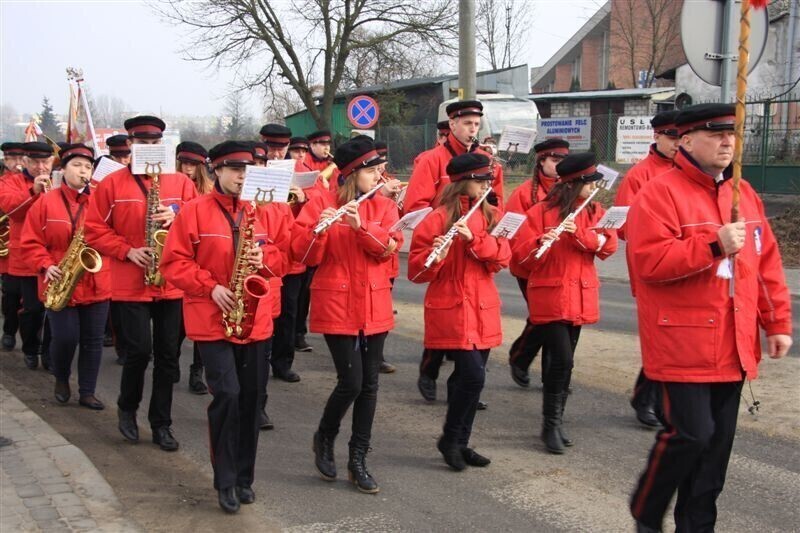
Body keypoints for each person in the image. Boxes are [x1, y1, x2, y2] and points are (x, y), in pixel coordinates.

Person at [626, 104, 793, 532]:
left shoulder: (744, 193)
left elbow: (765, 264)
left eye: (732, 134)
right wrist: (713, 245)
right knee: (691, 436)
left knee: (714, 457)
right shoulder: (659, 193)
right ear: (685, 140)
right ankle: (647, 509)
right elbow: (649, 261)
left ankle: (696, 527)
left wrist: (775, 323)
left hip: (733, 344)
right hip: (681, 344)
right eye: (715, 134)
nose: (726, 142)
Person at [161, 140, 289, 514]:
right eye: (234, 169)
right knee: (228, 395)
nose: (241, 176)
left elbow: (285, 257)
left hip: (255, 320)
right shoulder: (194, 211)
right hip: (211, 318)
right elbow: (174, 263)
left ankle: (245, 476)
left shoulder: (263, 211)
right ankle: (225, 478)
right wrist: (210, 286)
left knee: (251, 400)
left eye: (246, 170)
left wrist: (265, 256)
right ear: (215, 170)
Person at [293, 137, 401, 494]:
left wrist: (361, 227)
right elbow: (305, 255)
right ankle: (325, 436)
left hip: (374, 302)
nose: (379, 176)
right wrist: (318, 229)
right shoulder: (320, 201)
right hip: (337, 302)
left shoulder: (383, 206)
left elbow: (388, 249)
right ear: (354, 174)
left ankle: (358, 459)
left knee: (369, 385)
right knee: (351, 382)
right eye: (372, 172)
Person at [84, 115, 197, 452]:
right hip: (130, 282)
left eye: (154, 143)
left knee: (168, 357)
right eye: (142, 143)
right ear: (131, 145)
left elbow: (198, 221)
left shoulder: (180, 183)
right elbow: (93, 230)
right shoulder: (112, 184)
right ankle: (127, 408)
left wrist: (177, 215)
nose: (149, 148)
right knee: (138, 352)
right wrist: (126, 250)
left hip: (171, 283)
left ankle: (161, 423)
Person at [408, 152, 509, 471]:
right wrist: (438, 253)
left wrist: (476, 240)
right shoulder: (436, 218)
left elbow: (503, 258)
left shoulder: (490, 215)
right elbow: (416, 272)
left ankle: (461, 441)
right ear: (463, 182)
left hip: (483, 305)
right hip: (451, 305)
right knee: (473, 375)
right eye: (480, 181)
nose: (485, 187)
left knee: (469, 380)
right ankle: (450, 439)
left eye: (486, 181)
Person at [512, 152, 618, 454]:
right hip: (551, 295)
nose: (595, 188)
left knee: (564, 360)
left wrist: (579, 234)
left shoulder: (595, 211)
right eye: (590, 183)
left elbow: (608, 245)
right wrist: (539, 243)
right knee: (562, 359)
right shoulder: (540, 213)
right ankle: (550, 424)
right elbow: (519, 258)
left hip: (580, 295)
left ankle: (556, 421)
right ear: (574, 184)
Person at [404, 99, 504, 403]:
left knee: (471, 318)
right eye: (467, 124)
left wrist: (483, 224)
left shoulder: (485, 160)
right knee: (446, 317)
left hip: (474, 242)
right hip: (443, 239)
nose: (472, 130)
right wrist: (444, 221)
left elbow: (496, 202)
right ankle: (429, 371)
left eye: (476, 124)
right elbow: (414, 206)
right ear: (452, 125)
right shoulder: (431, 160)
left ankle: (466, 384)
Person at [20, 144, 111, 410]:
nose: (83, 171)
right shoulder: (46, 202)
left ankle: (87, 392)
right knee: (66, 337)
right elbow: (30, 242)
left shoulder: (100, 202)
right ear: (63, 170)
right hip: (59, 279)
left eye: (87, 167)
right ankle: (61, 377)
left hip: (96, 280)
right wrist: (45, 265)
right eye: (76, 165)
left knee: (93, 341)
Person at [612, 109, 681, 428]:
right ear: (657, 137)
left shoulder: (689, 171)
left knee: (677, 338)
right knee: (662, 337)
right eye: (672, 137)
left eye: (682, 137)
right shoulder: (640, 175)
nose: (678, 144)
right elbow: (625, 225)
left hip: (686, 265)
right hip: (652, 268)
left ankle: (655, 398)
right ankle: (647, 398)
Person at [506, 138, 569, 389]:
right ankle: (521, 357)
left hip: (559, 267)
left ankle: (549, 373)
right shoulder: (523, 193)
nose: (559, 166)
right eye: (554, 161)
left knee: (556, 320)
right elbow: (514, 234)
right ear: (541, 162)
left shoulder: (569, 189)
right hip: (530, 267)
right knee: (545, 319)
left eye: (563, 161)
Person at [0, 142, 55, 370]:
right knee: (32, 308)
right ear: (27, 162)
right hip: (27, 257)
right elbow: (11, 209)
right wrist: (33, 191)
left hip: (55, 257)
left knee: (55, 309)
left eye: (46, 162)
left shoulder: (61, 180)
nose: (41, 167)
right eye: (36, 162)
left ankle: (49, 353)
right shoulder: (10, 182)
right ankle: (31, 347)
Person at [173, 141, 213, 395]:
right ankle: (171, 357)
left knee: (203, 323)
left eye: (193, 165)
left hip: (205, 261)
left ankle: (197, 371)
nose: (187, 169)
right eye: (184, 163)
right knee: (178, 325)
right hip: (181, 261)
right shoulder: (171, 185)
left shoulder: (208, 190)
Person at [1, 142, 25, 351]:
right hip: (9, 248)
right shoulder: (3, 182)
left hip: (28, 245)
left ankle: (33, 340)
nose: (17, 163)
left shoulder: (31, 181)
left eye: (20, 159)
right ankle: (9, 331)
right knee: (11, 294)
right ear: (5, 159)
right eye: (12, 159)